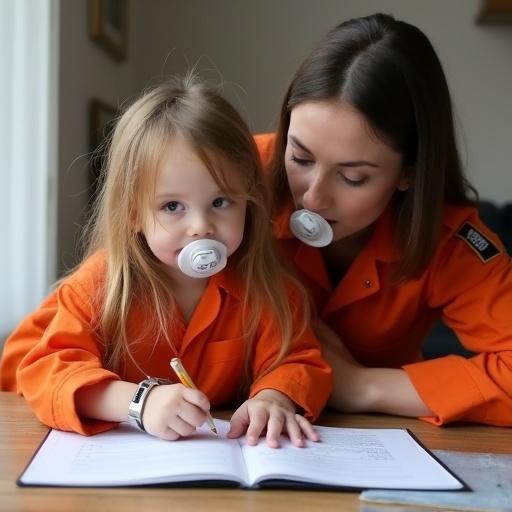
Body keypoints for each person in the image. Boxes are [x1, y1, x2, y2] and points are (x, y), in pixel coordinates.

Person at [0, 75, 332, 446]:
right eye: (173, 206)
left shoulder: (269, 289)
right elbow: (49, 370)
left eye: (221, 202)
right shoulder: (101, 285)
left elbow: (297, 359)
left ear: (248, 201)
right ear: (134, 213)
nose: (201, 226)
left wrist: (274, 397)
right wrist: (139, 402)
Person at [255, 13, 512, 426]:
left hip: (375, 436)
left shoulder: (445, 239)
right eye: (300, 157)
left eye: (353, 177)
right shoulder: (230, 178)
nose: (314, 197)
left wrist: (362, 386)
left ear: (409, 172)